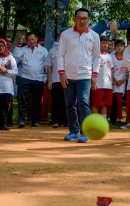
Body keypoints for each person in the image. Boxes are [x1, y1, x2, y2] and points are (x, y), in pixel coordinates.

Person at [57, 8, 100, 143]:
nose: (82, 21)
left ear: (88, 20)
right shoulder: (66, 35)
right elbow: (60, 55)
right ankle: (73, 131)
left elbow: (96, 57)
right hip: (68, 76)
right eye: (79, 18)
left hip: (85, 76)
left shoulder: (94, 36)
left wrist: (95, 75)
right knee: (69, 104)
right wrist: (61, 74)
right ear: (75, 19)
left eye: (84, 18)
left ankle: (84, 132)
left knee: (84, 103)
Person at [13, 32, 48, 128]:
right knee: (23, 100)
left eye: (33, 39)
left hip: (39, 79)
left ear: (36, 39)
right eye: (29, 40)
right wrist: (19, 44)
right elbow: (15, 59)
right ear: (27, 41)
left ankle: (36, 120)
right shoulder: (23, 49)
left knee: (37, 101)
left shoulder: (44, 50)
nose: (31, 41)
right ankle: (21, 119)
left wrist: (45, 78)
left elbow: (46, 65)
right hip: (25, 78)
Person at [0, 39, 17, 130]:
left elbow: (15, 71)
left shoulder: (10, 58)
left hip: (7, 86)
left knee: (5, 105)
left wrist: (6, 71)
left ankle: (5, 123)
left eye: (3, 45)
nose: (1, 47)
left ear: (6, 46)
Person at [47, 32, 67, 128]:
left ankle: (66, 121)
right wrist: (50, 80)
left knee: (67, 101)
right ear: (58, 38)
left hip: (67, 80)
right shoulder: (52, 51)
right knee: (56, 101)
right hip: (55, 80)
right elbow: (49, 67)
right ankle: (56, 120)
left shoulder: (69, 49)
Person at [92, 35, 113, 119]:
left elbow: (111, 70)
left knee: (105, 104)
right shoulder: (94, 55)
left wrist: (112, 83)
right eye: (103, 43)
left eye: (106, 43)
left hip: (108, 85)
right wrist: (93, 81)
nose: (105, 45)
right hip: (98, 84)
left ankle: (103, 123)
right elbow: (91, 69)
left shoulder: (109, 56)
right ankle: (94, 123)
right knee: (96, 104)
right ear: (98, 43)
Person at [111, 39, 128, 128]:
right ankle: (111, 119)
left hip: (122, 83)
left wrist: (122, 80)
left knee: (119, 102)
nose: (119, 48)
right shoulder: (111, 57)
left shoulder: (126, 58)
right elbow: (110, 70)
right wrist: (114, 80)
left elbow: (128, 72)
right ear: (115, 47)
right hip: (112, 82)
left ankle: (118, 119)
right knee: (111, 101)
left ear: (124, 47)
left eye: (121, 46)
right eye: (117, 46)